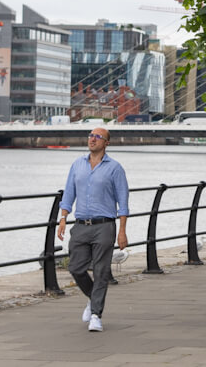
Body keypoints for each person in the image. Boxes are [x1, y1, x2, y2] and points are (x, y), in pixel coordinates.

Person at [57, 127, 129, 332]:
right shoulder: (77, 165)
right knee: (76, 268)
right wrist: (63, 218)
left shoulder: (115, 168)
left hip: (104, 226)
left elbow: (123, 202)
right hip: (80, 226)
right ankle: (93, 298)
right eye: (90, 136)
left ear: (106, 143)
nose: (93, 139)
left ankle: (96, 315)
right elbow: (68, 194)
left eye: (98, 137)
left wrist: (122, 231)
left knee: (100, 271)